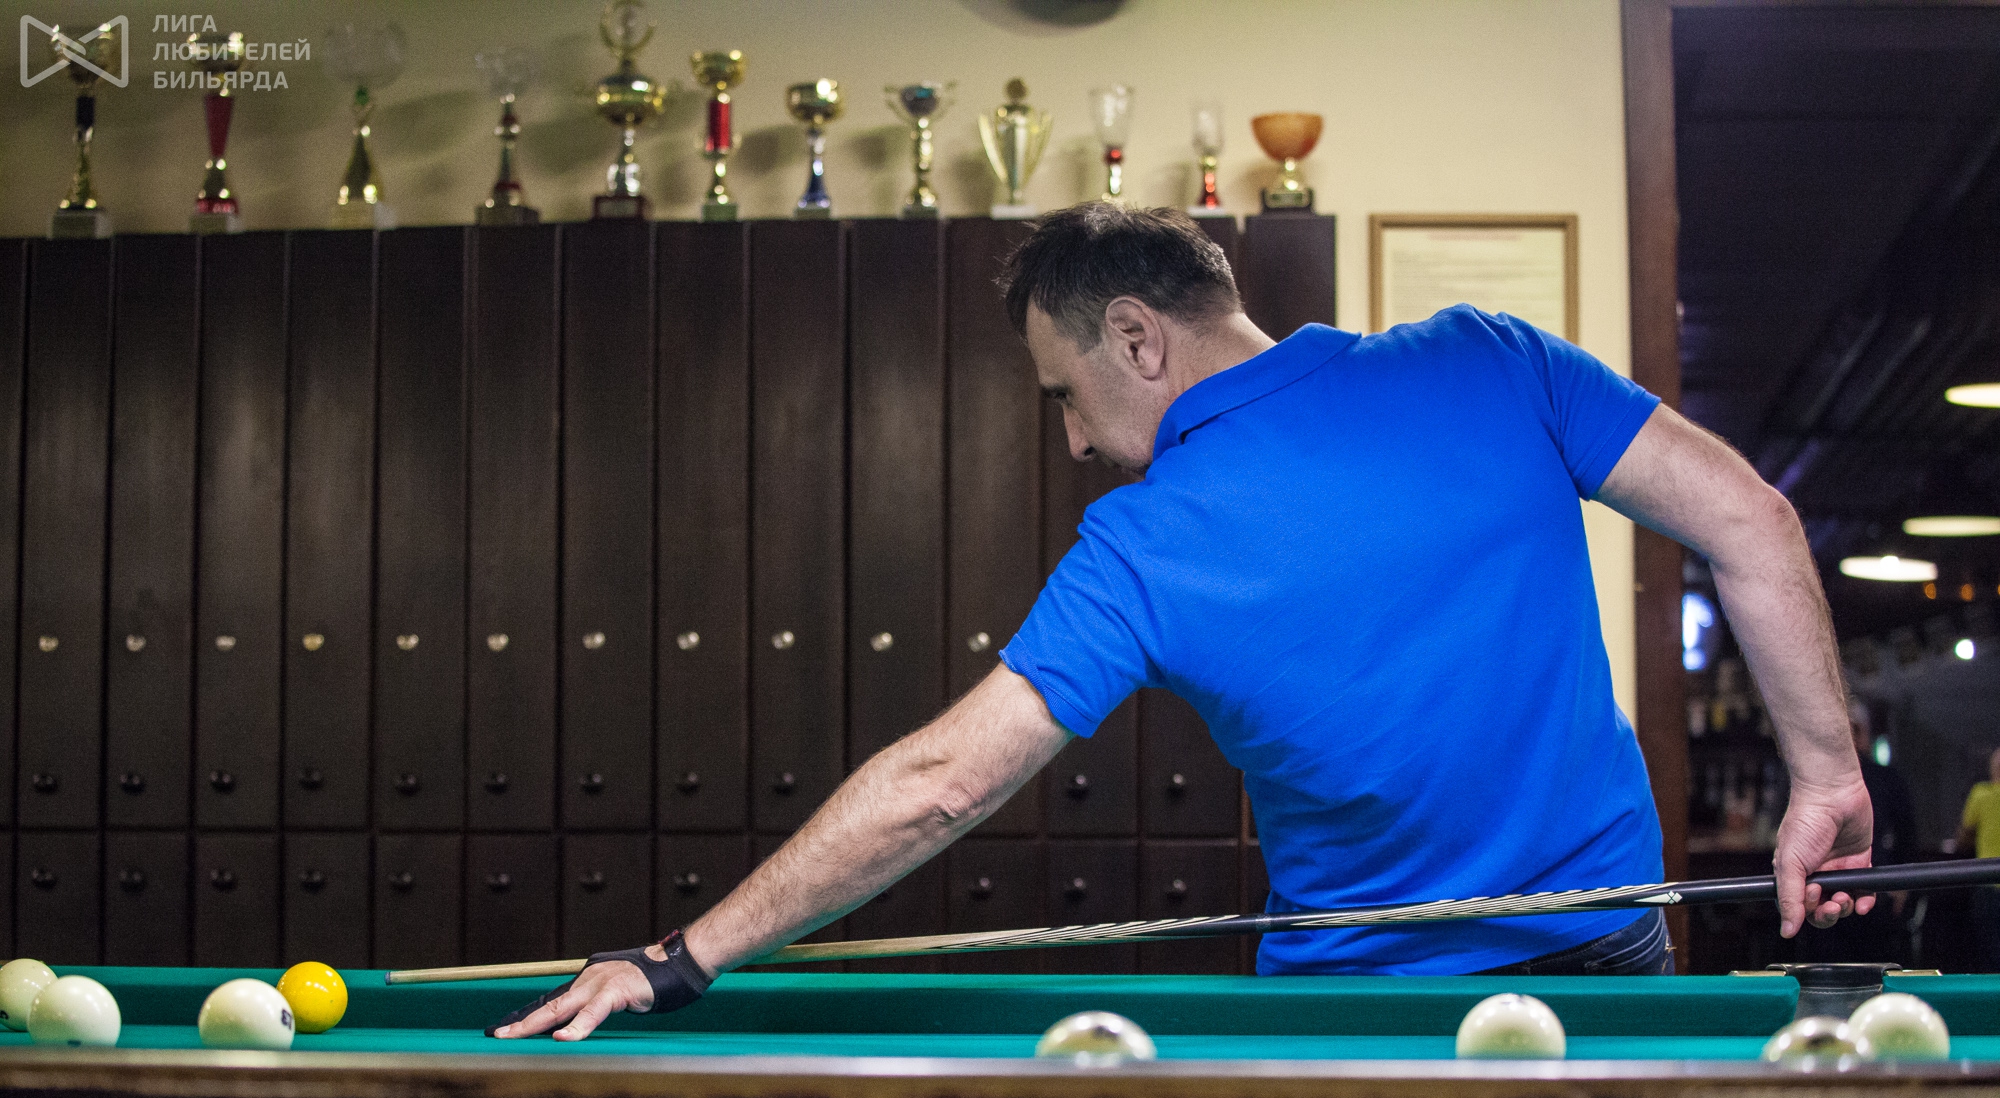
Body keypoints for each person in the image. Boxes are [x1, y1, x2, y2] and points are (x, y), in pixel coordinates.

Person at [494, 205, 1873, 1041]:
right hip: (1613, 961)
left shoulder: (1139, 545)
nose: (1074, 441)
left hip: (1358, 1014)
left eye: (1062, 394)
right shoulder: (1492, 357)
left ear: (1138, 338)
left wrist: (683, 956)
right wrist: (1825, 780)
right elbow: (1752, 520)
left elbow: (943, 782)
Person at [1796, 701, 1918, 964]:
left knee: (1873, 963)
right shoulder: (1815, 782)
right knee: (1827, 962)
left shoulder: (1886, 778)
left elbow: (1906, 834)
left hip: (1870, 885)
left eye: (1853, 730)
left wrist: (1901, 884)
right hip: (1828, 885)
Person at [1961, 748, 2000, 970]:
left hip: (1988, 885)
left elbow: (1964, 836)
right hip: (1988, 884)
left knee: (1989, 954)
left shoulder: (1981, 794)